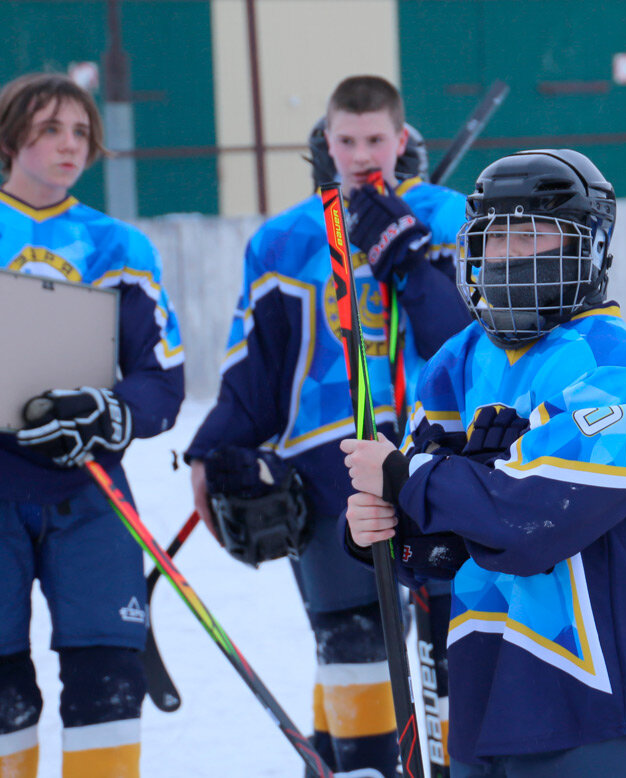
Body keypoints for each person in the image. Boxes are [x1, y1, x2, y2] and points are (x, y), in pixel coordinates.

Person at [340, 149, 626, 777]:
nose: (508, 254)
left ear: (587, 246)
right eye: (495, 236)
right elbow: (441, 542)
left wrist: (408, 478)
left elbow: (532, 521)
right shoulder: (459, 361)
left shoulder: (617, 367)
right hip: (486, 696)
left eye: (531, 234)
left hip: (601, 705)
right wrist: (383, 529)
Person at [185, 74, 470, 777]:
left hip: (436, 458)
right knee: (351, 645)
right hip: (324, 469)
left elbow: (468, 345)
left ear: (401, 140)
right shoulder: (282, 240)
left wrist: (406, 253)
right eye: (347, 140)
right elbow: (255, 366)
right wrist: (211, 450)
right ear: (325, 141)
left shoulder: (450, 216)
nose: (362, 154)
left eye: (375, 139)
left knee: (453, 648)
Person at [0, 72, 185, 777]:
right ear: (10, 138)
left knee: (110, 677)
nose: (70, 144)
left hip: (88, 488)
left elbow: (162, 377)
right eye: (50, 129)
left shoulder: (118, 244)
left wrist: (117, 411)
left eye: (80, 131)